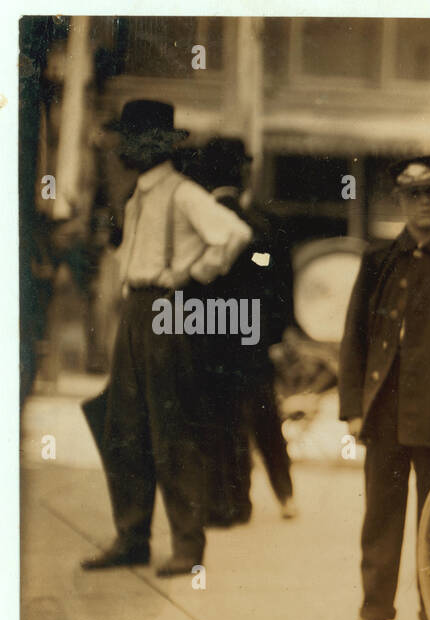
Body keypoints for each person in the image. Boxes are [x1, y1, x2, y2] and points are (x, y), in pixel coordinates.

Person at [81, 99, 252, 577]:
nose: (121, 149)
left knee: (171, 428)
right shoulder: (137, 196)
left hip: (164, 310)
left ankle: (186, 546)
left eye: (129, 140)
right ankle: (131, 536)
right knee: (123, 426)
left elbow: (233, 235)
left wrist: (189, 273)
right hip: (137, 309)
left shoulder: (181, 193)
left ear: (151, 145)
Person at [335, 155, 430, 620]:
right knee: (380, 520)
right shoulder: (378, 260)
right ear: (400, 201)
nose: (423, 202)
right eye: (413, 194)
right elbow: (355, 337)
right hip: (386, 411)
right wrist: (352, 406)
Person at [190, 137, 297, 525]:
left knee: (215, 419)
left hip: (206, 335)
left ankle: (223, 501)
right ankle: (279, 495)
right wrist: (275, 334)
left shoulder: (198, 223)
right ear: (243, 173)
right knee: (263, 416)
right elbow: (276, 281)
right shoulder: (262, 228)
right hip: (251, 339)